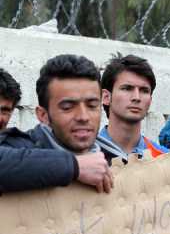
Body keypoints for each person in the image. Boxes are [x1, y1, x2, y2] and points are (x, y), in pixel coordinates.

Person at [0, 54, 118, 194]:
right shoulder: (15, 148)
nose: (83, 117)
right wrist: (75, 166)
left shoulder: (116, 159)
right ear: (43, 115)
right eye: (67, 107)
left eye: (92, 105)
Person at [100, 53, 167, 159]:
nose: (137, 97)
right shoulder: (82, 154)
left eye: (144, 91)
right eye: (127, 88)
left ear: (150, 100)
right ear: (106, 97)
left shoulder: (164, 159)